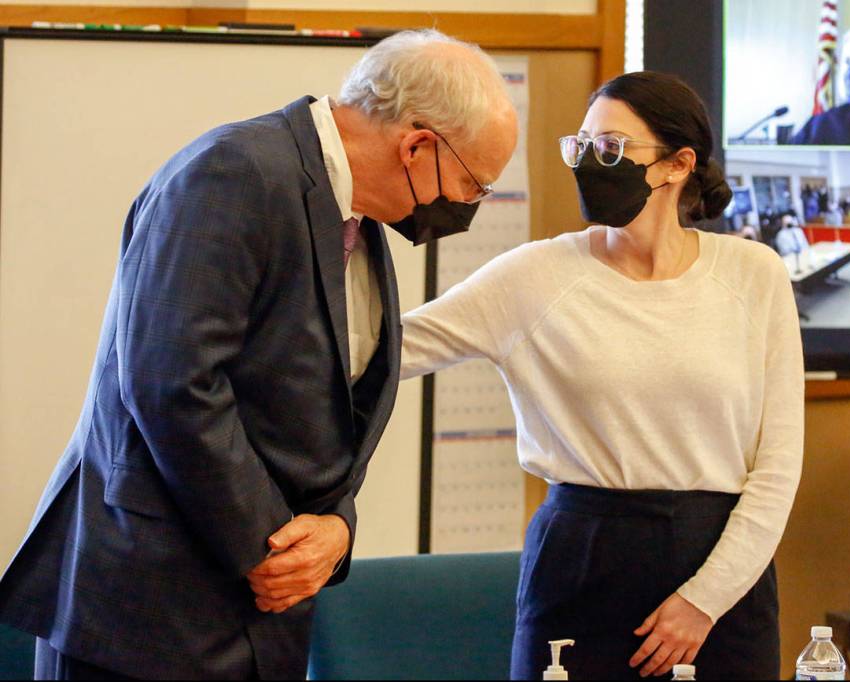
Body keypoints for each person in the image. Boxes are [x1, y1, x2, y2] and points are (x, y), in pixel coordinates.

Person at [0, 29, 517, 680]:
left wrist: (336, 528)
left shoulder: (356, 217)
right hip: (148, 610)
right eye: (473, 184)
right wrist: (272, 547)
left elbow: (327, 410)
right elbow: (172, 384)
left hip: (260, 610)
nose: (466, 206)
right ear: (416, 146)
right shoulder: (233, 171)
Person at [400, 71, 803, 680]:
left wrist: (704, 600)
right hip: (582, 559)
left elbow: (778, 466)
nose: (591, 163)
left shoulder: (754, 273)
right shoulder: (534, 276)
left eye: (612, 148)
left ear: (677, 165)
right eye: (582, 146)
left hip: (723, 573)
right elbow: (389, 350)